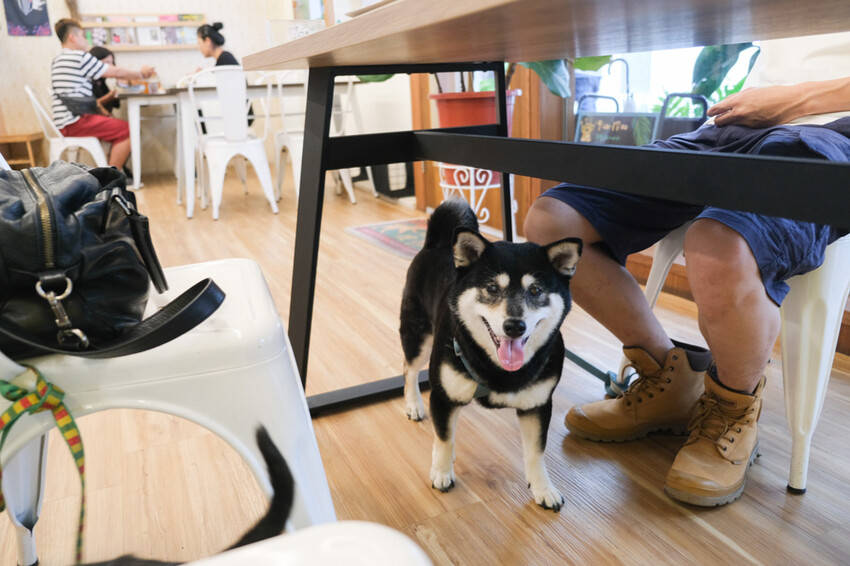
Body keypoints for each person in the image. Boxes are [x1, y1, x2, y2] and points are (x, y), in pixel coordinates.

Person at [523, 32, 850, 507]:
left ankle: (731, 409)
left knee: (718, 244)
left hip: (833, 131)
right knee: (552, 223)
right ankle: (669, 379)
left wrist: (795, 98)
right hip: (734, 127)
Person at [51, 18, 155, 171]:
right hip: (75, 121)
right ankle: (111, 178)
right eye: (82, 35)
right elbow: (115, 72)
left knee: (121, 128)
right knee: (128, 130)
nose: (85, 40)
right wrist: (141, 74)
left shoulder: (58, 59)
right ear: (72, 37)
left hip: (65, 121)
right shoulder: (78, 57)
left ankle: (110, 172)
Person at [88, 46, 119, 115]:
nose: (111, 66)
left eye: (112, 62)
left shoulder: (102, 82)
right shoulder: (88, 82)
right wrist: (109, 96)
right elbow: (92, 105)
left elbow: (116, 105)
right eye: (107, 62)